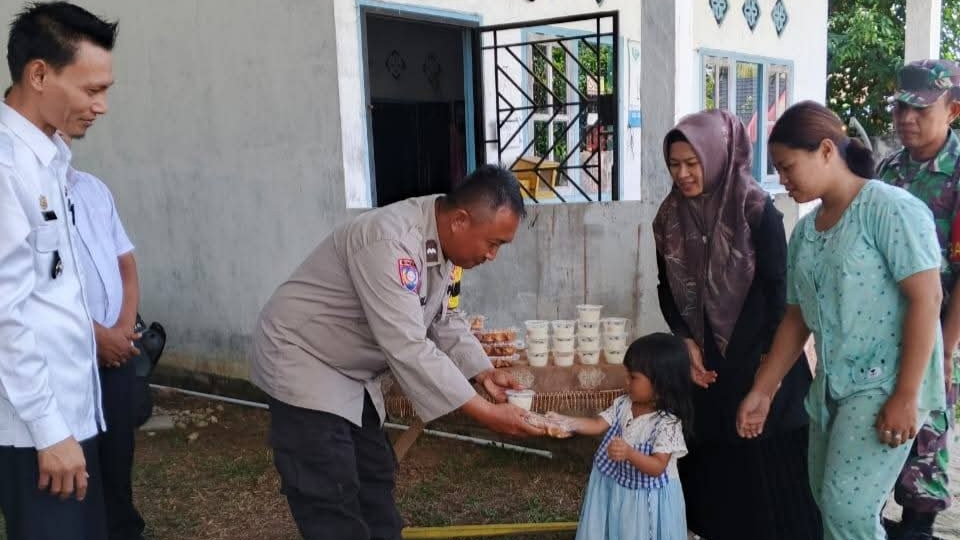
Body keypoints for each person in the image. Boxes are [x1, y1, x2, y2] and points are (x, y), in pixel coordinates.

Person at [250, 164, 544, 540]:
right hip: (304, 357)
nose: (492, 256)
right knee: (328, 489)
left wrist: (483, 371)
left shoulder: (443, 244)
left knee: (374, 477)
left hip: (352, 371)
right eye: (493, 243)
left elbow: (442, 317)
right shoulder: (389, 242)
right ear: (460, 220)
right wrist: (486, 413)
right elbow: (408, 345)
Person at [738, 101, 947, 540]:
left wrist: (906, 395)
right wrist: (763, 390)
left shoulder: (888, 208)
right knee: (827, 502)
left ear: (827, 150)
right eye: (777, 169)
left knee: (846, 509)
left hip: (885, 383)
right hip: (832, 386)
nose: (783, 179)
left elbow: (927, 298)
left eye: (788, 166)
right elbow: (797, 316)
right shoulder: (806, 231)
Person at [652, 109, 821, 540]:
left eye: (692, 163)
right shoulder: (669, 217)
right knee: (715, 471)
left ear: (717, 155)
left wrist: (770, 368)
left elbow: (780, 290)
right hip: (706, 366)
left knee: (768, 468)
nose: (683, 174)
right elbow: (666, 287)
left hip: (761, 354)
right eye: (674, 165)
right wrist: (685, 339)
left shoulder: (756, 210)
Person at [0, 3, 118, 539]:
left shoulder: (49, 158)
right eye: (91, 90)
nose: (102, 106)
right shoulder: (7, 168)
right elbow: (6, 313)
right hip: (34, 431)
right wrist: (49, 430)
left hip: (70, 417)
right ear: (39, 74)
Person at [877, 59, 960, 540]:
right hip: (883, 324)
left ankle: (919, 527)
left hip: (941, 325)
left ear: (952, 111)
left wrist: (944, 350)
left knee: (926, 431)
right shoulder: (890, 169)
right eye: (900, 108)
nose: (907, 118)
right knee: (882, 421)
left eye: (921, 109)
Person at [61, 132, 146, 540]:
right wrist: (97, 337)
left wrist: (124, 329)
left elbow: (125, 262)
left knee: (117, 457)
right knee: (76, 465)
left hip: (116, 353)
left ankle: (124, 530)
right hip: (68, 358)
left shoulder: (93, 189)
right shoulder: (19, 192)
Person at [546, 333, 693, 540]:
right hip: (621, 488)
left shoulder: (667, 424)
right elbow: (597, 424)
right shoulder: (624, 404)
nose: (626, 381)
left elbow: (658, 467)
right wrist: (565, 421)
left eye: (633, 377)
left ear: (661, 384)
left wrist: (629, 453)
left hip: (648, 501)